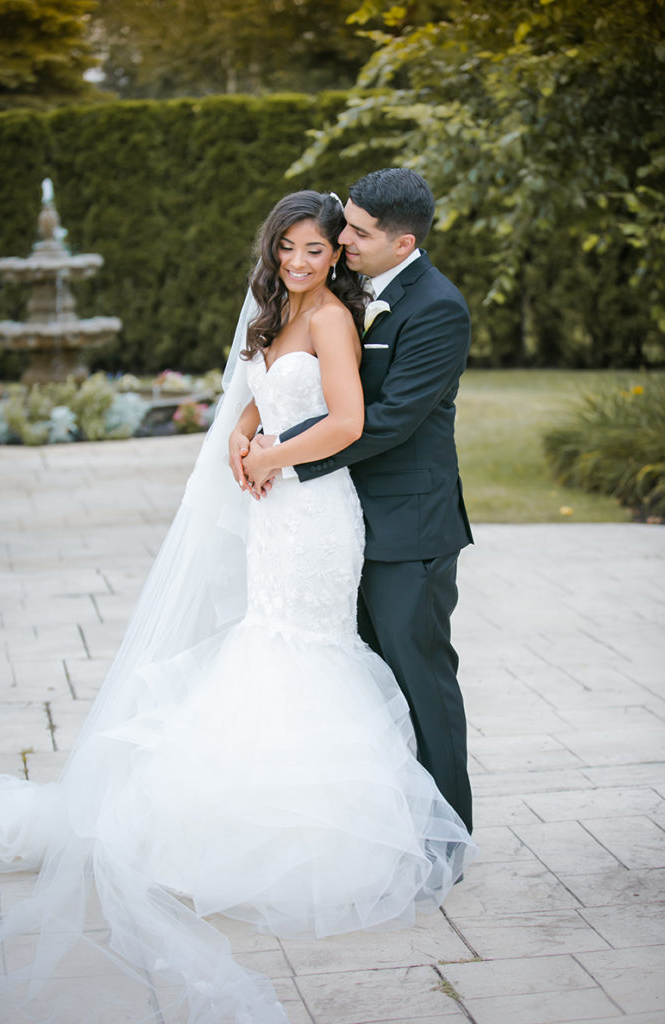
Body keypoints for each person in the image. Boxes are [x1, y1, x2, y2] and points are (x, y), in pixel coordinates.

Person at [0, 190, 475, 1024]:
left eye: (323, 247)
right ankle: (246, 820)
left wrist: (275, 453)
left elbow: (356, 417)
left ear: (377, 243)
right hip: (278, 508)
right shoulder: (279, 313)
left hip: (321, 512)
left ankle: (399, 835)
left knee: (328, 652)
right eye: (294, 246)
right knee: (268, 643)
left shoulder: (342, 318)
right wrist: (245, 440)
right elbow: (259, 392)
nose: (306, 259)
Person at [239, 168, 474, 835]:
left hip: (407, 525)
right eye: (345, 222)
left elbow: (391, 418)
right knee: (358, 684)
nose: (341, 239)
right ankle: (377, 824)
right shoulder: (340, 289)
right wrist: (247, 431)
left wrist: (280, 461)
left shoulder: (436, 307)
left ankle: (445, 835)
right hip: (332, 522)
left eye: (357, 232)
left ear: (402, 244)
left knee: (418, 679)